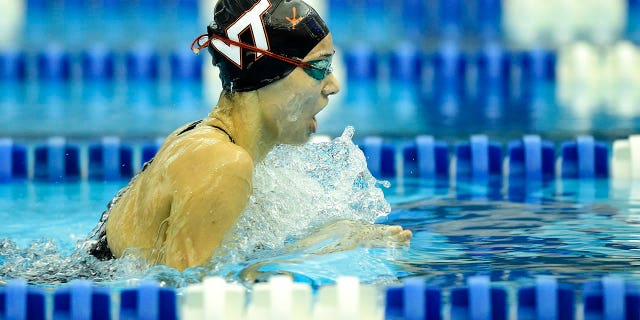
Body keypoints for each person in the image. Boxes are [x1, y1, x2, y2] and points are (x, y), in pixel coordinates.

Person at [84, 0, 412, 271]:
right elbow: (188, 294)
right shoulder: (223, 162)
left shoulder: (201, 138)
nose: (333, 85)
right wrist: (321, 247)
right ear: (267, 73)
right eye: (318, 68)